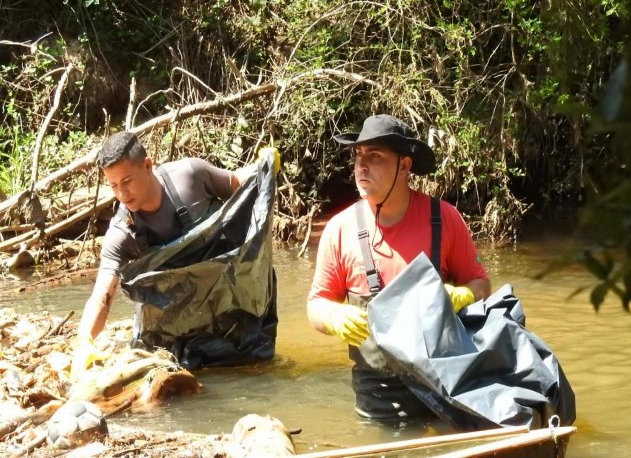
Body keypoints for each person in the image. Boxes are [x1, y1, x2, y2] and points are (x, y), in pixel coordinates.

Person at [307, 114, 491, 421]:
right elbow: (315, 304)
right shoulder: (339, 229)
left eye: (375, 156)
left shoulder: (444, 218)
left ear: (405, 166)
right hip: (377, 396)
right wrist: (333, 315)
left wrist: (461, 296)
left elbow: (481, 284)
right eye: (358, 155)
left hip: (447, 387)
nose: (361, 165)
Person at [72, 131, 280, 376]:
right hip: (173, 336)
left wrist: (264, 165)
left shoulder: (190, 177)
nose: (122, 194)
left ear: (148, 165)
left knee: (256, 372)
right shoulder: (122, 232)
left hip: (232, 311)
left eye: (127, 181)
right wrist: (84, 340)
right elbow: (102, 296)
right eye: (113, 185)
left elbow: (237, 183)